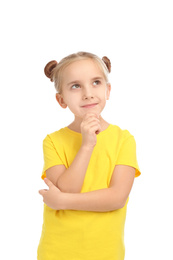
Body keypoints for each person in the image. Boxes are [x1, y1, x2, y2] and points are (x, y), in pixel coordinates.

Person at [38, 51, 141, 260]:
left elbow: (117, 198)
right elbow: (69, 188)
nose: (88, 93)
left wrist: (62, 201)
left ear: (108, 90)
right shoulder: (53, 141)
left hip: (105, 253)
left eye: (96, 82)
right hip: (57, 251)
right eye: (75, 86)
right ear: (61, 99)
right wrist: (86, 145)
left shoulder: (124, 139)